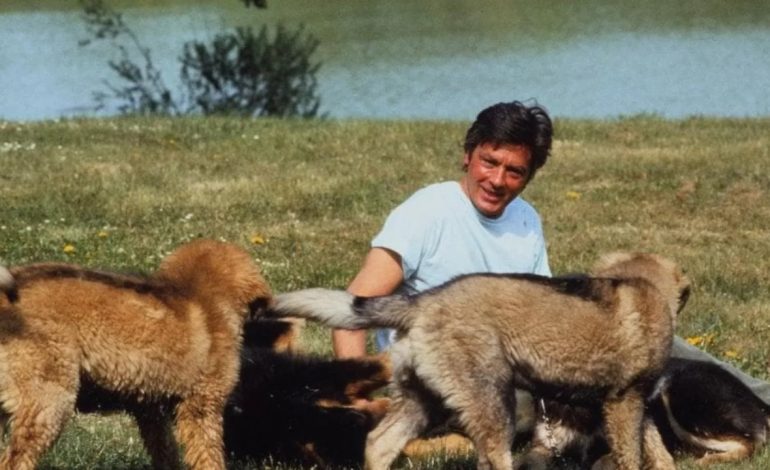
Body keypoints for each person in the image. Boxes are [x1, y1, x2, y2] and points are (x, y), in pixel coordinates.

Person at [331, 100, 770, 405]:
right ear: (467, 156)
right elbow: (354, 310)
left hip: (527, 356)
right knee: (527, 407)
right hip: (452, 369)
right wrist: (354, 398)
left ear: (529, 175)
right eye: (489, 161)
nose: (498, 180)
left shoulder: (526, 220)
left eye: (514, 171)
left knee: (649, 338)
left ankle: (761, 397)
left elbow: (546, 307)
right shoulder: (427, 212)